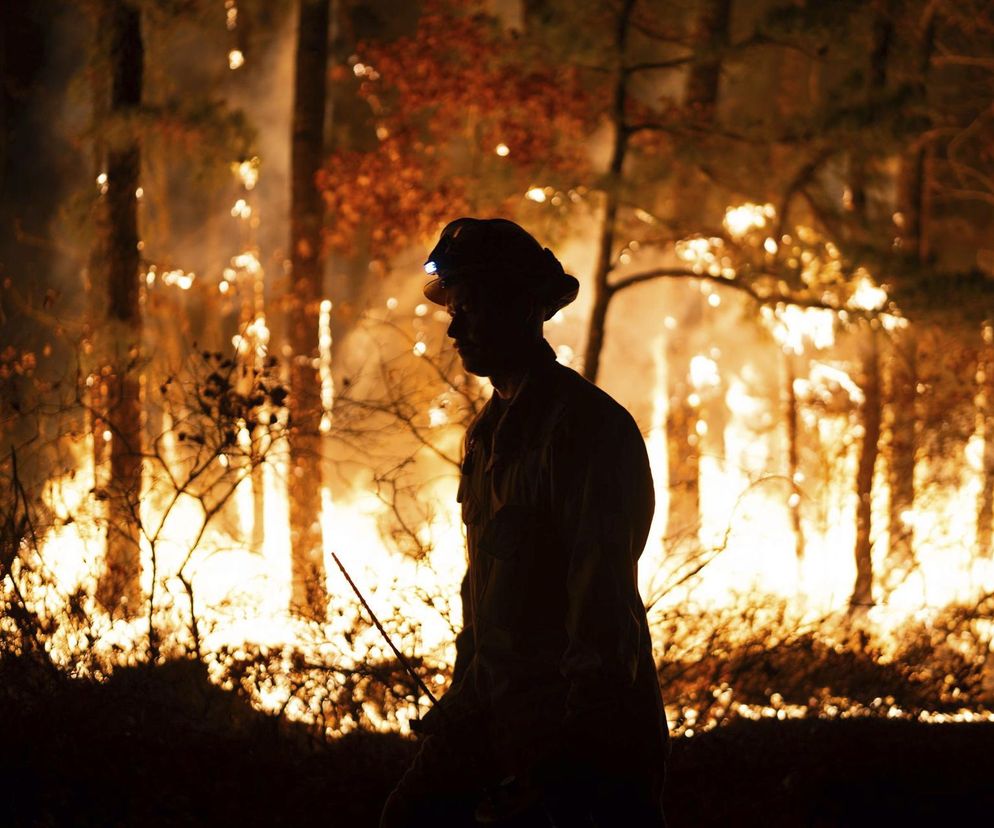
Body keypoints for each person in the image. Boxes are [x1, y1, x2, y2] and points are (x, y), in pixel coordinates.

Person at [381, 218, 668, 827]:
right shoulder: (486, 439)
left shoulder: (587, 431)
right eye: (453, 310)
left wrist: (566, 761)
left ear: (522, 307)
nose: (455, 328)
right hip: (497, 715)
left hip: (583, 744)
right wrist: (461, 707)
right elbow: (482, 602)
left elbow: (600, 613)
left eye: (474, 306)